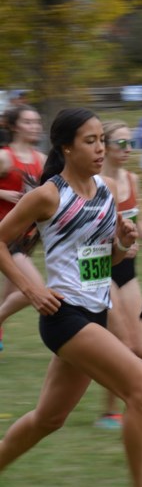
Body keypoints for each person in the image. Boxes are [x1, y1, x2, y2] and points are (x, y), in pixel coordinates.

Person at [0, 107, 142, 487]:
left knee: (48, 419)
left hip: (95, 313)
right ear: (66, 146)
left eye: (103, 139)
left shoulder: (104, 189)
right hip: (64, 316)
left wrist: (121, 244)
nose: (101, 148)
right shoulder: (48, 194)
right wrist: (32, 289)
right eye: (91, 141)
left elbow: (107, 258)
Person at [94, 121, 142, 430]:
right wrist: (120, 243)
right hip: (104, 268)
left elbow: (137, 220)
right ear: (104, 146)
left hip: (128, 269)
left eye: (130, 143)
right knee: (123, 344)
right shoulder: (97, 183)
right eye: (120, 143)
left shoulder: (132, 179)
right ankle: (110, 412)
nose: (127, 149)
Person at [0, 105, 46, 352]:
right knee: (35, 288)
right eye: (28, 122)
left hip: (27, 238)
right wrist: (4, 193)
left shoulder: (42, 159)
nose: (34, 126)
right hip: (4, 235)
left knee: (9, 295)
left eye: (37, 122)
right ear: (14, 126)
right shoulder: (4, 157)